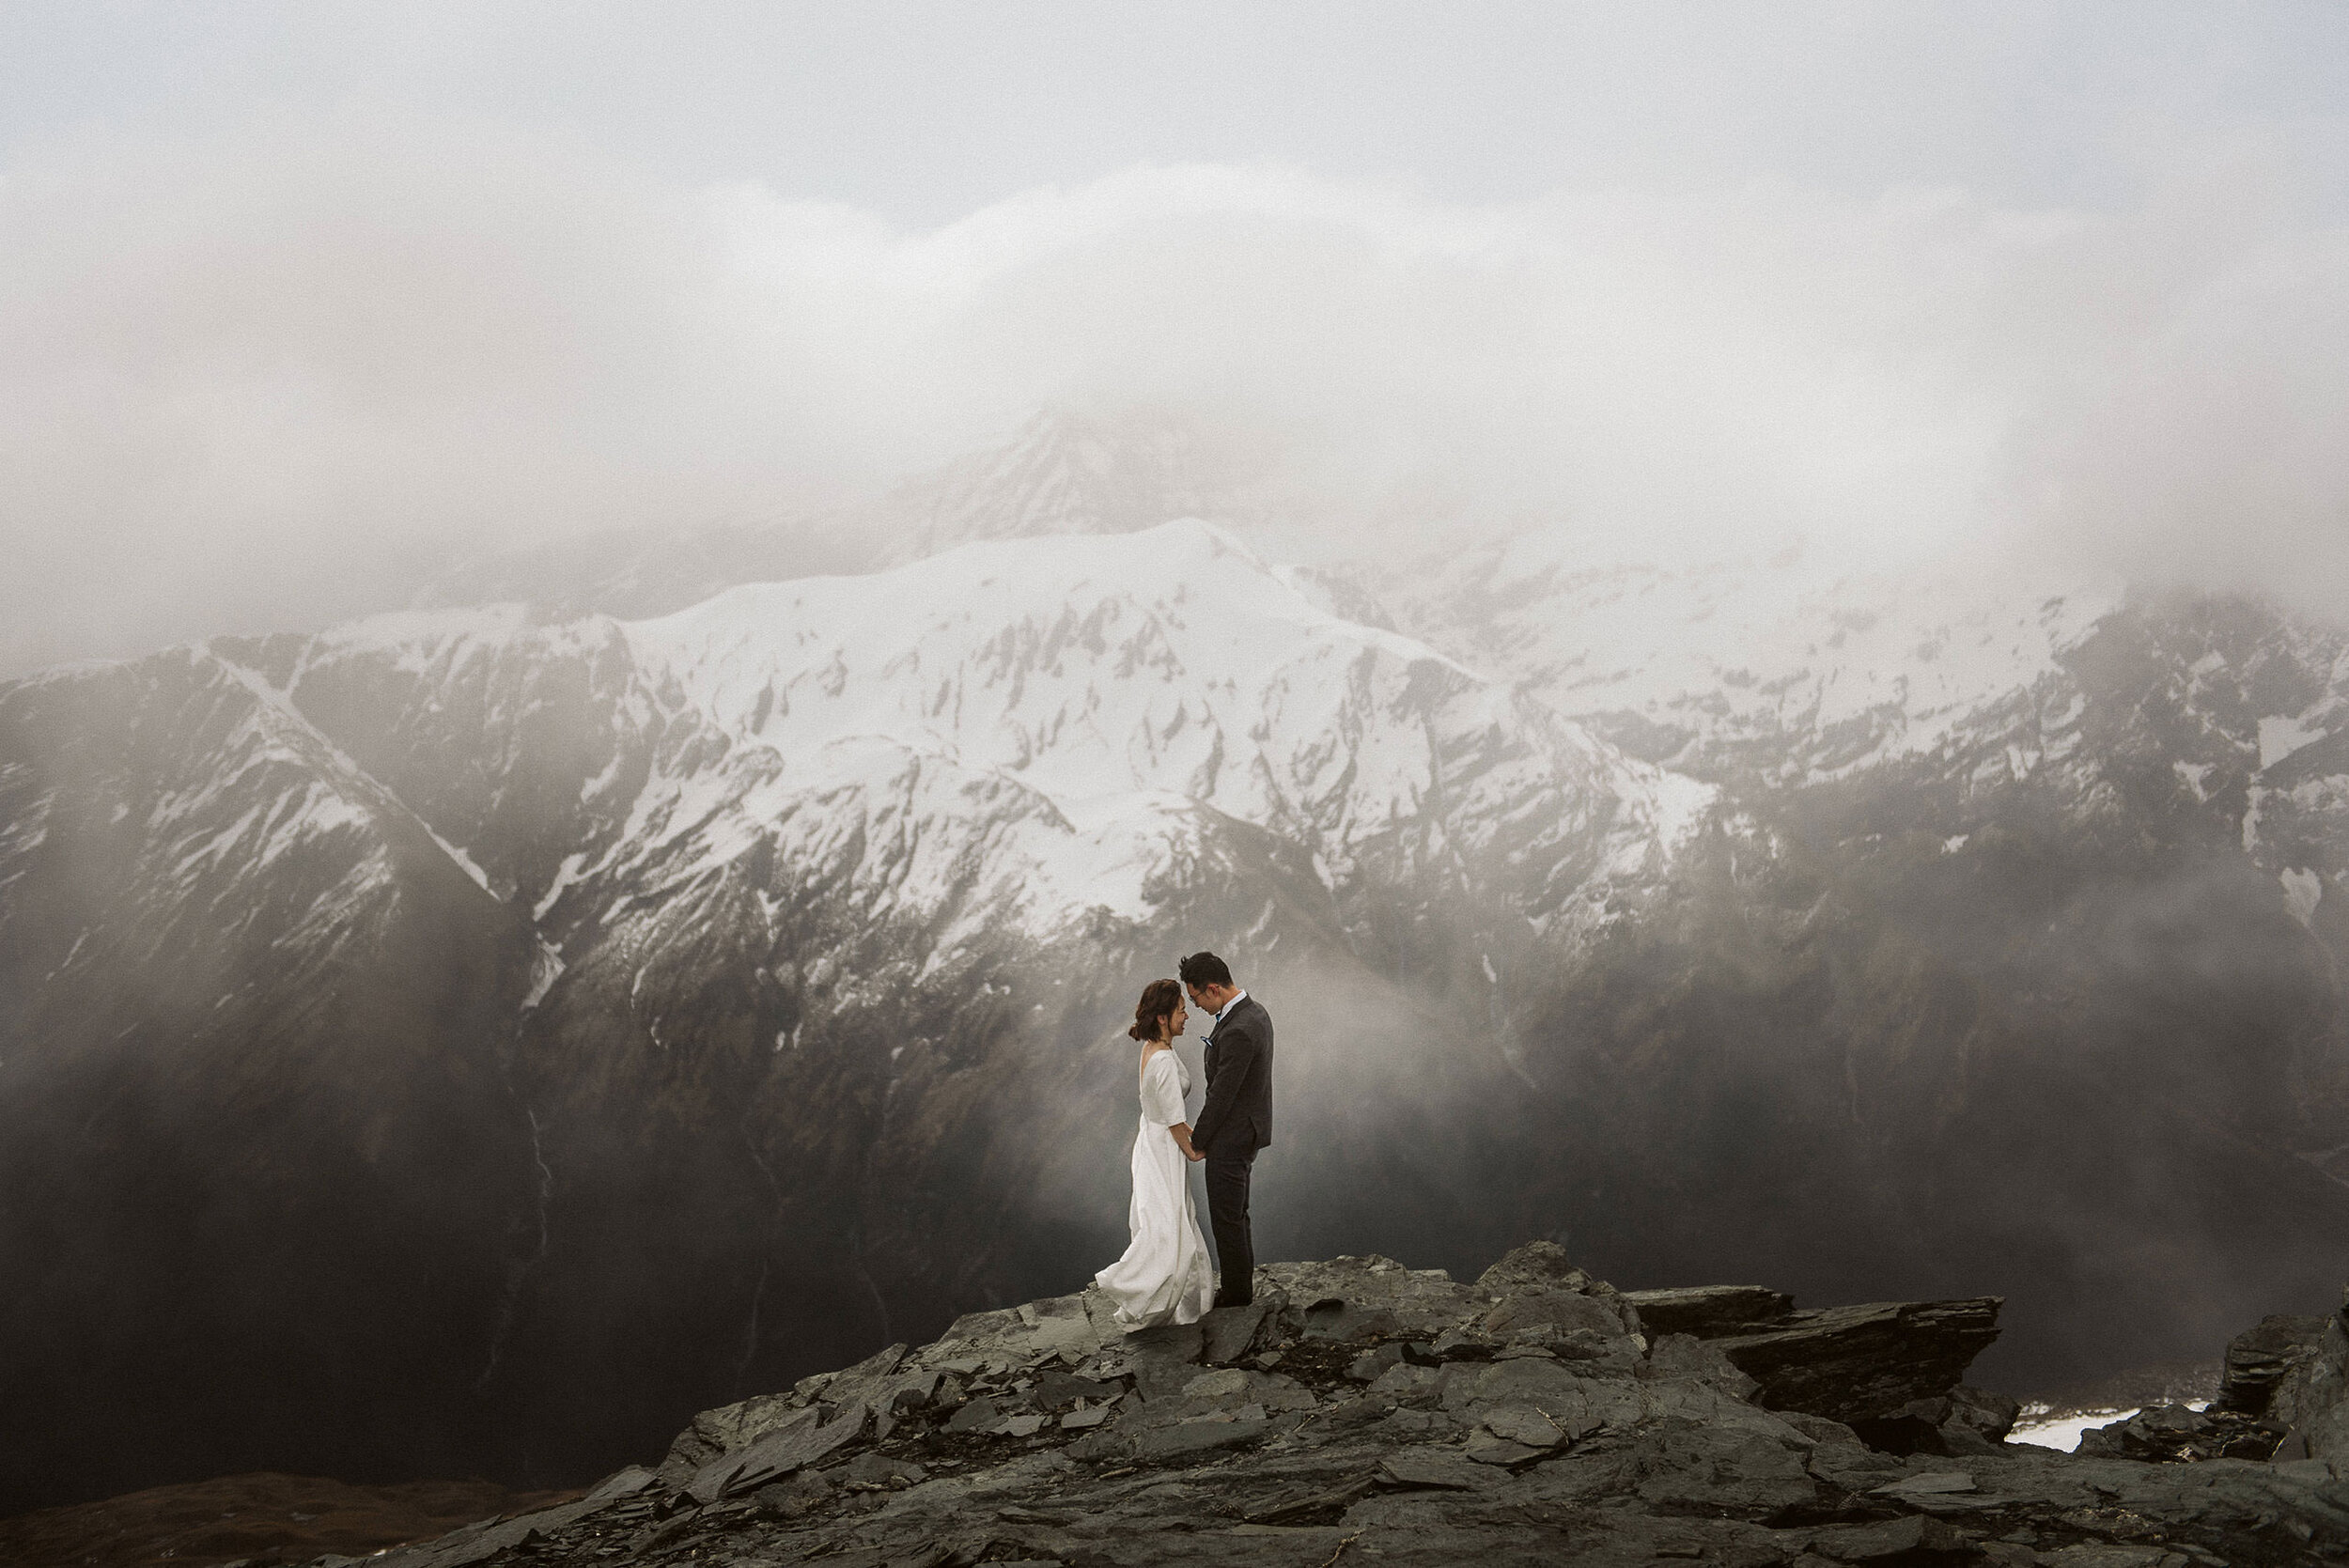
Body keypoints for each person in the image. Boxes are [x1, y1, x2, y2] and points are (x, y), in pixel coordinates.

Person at [1093, 978, 1216, 1328]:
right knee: (1174, 1225)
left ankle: (1184, 1302)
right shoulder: (1162, 1059)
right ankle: (1155, 1294)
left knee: (1170, 1222)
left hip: (1153, 1141)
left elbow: (1163, 1113)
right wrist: (1198, 1151)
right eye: (1180, 1010)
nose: (1187, 1015)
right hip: (1165, 1149)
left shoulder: (1152, 1047)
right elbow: (1175, 1119)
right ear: (1162, 1017)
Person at [1179, 951, 1273, 1310]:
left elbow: (1221, 1096)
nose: (1196, 1006)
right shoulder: (1256, 1013)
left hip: (1232, 1136)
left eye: (1196, 997)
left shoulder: (1237, 1031)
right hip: (1248, 1129)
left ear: (1213, 989)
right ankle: (1240, 1286)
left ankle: (1236, 1295)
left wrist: (1198, 1141)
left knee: (1226, 1216)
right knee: (1237, 1212)